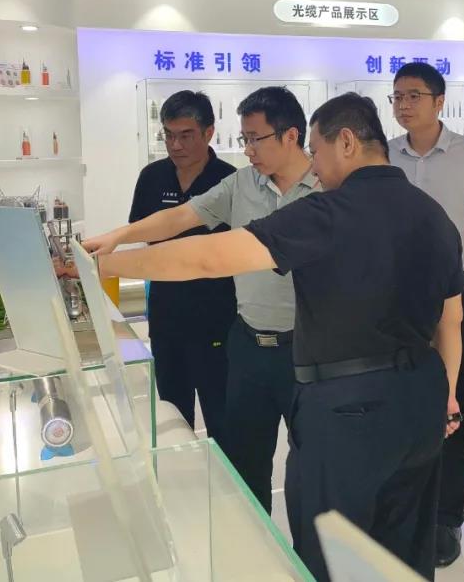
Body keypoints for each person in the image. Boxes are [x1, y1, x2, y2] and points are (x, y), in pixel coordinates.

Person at [90, 93, 464, 582]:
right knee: (405, 544)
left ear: (346, 142)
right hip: (420, 399)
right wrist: (448, 395)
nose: (316, 166)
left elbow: (207, 258)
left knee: (331, 548)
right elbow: (450, 319)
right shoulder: (434, 214)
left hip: (346, 406)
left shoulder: (327, 211)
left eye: (318, 150)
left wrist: (105, 265)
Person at [83, 86, 317, 513]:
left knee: (312, 471)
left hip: (308, 350)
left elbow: (208, 259)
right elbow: (181, 217)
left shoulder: (327, 189)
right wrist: (118, 236)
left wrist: (109, 264)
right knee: (244, 467)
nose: (247, 150)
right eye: (244, 138)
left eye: (255, 139)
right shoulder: (241, 183)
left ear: (290, 135)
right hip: (249, 345)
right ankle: (250, 542)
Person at [387, 62, 464, 568]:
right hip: (393, 296)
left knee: (451, 403)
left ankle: (446, 518)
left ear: (439, 102)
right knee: (398, 399)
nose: (403, 104)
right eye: (397, 96)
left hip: (455, 291)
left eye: (413, 95)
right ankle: (404, 508)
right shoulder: (384, 154)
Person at [126, 90, 236, 439]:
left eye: (186, 135)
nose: (175, 145)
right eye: (168, 135)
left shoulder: (230, 181)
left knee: (223, 422)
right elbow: (143, 237)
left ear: (208, 132)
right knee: (173, 421)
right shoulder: (152, 177)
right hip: (166, 318)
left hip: (216, 322)